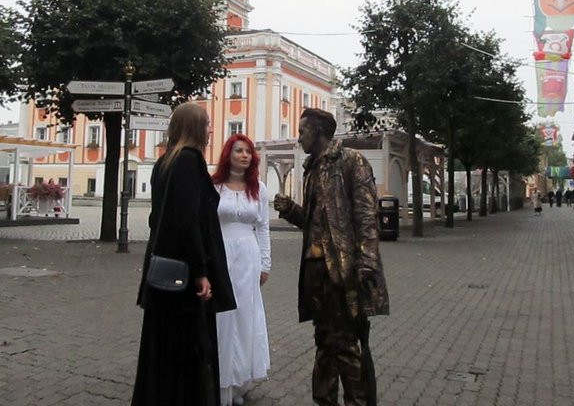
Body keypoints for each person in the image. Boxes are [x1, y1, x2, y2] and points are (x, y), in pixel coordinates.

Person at [273, 108, 389, 406]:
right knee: (324, 341)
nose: (298, 138)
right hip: (316, 273)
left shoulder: (351, 161)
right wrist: (291, 211)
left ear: (319, 132)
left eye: (302, 132)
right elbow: (317, 226)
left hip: (342, 270)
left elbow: (366, 218)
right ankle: (324, 400)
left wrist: (366, 262)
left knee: (348, 345)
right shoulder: (311, 168)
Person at [132, 102, 236, 406]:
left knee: (162, 347)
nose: (210, 129)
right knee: (189, 347)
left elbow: (157, 219)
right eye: (206, 123)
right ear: (194, 127)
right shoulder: (190, 161)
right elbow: (189, 220)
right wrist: (201, 270)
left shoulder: (164, 162)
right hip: (185, 275)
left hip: (162, 267)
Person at [211, 134, 271, 406]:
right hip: (220, 254)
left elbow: (263, 227)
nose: (245, 155)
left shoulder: (258, 188)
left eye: (248, 151)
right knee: (222, 318)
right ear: (228, 154)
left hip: (248, 257)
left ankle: (239, 379)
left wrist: (265, 263)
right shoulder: (214, 187)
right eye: (239, 150)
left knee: (245, 316)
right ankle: (219, 378)